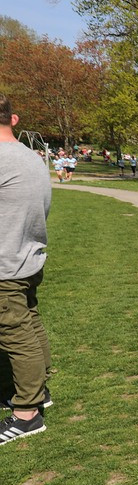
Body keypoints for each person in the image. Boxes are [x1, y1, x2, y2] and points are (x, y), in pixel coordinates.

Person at [0, 94, 52, 445]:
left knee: (15, 334)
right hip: (28, 256)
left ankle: (27, 414)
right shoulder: (30, 157)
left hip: (6, 262)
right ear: (13, 119)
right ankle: (39, 389)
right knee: (29, 323)